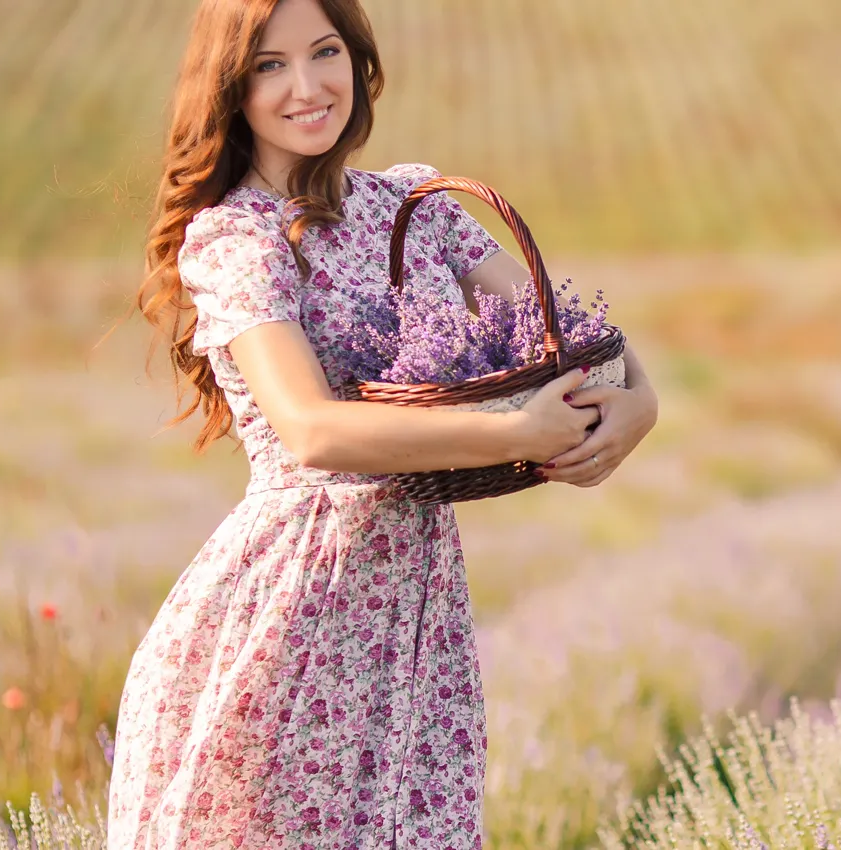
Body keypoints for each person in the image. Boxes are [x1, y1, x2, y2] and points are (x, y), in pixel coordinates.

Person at [106, 0, 660, 846]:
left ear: (356, 59)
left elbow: (574, 341)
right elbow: (312, 432)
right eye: (269, 65)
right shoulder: (236, 238)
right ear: (232, 88)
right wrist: (514, 437)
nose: (307, 86)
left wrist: (639, 406)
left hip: (415, 608)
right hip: (293, 606)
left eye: (325, 52)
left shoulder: (417, 205)